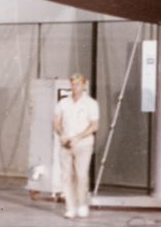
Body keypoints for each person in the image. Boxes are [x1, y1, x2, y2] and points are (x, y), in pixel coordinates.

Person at [53, 73, 99, 220]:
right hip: (66, 143)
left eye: (78, 84)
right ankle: (70, 207)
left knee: (81, 175)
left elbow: (94, 126)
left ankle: (82, 204)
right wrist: (62, 135)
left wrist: (78, 137)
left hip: (83, 144)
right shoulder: (63, 103)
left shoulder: (91, 104)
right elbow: (57, 123)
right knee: (67, 176)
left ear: (84, 85)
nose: (75, 87)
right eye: (73, 84)